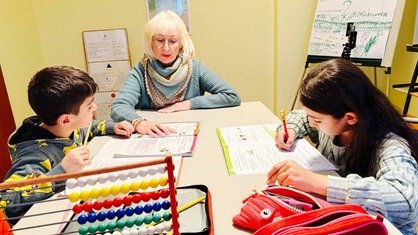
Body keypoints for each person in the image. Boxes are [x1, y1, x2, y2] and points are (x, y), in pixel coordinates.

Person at [267, 58, 418, 235]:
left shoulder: (391, 145)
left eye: (317, 120)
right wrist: (291, 129)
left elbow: (405, 200)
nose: (311, 123)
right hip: (340, 221)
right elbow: (300, 117)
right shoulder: (332, 125)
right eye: (311, 117)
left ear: (350, 118)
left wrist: (317, 182)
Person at [0, 66, 134, 222]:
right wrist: (62, 171)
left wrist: (112, 127)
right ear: (65, 120)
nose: (95, 108)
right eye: (89, 106)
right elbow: (5, 202)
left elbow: (86, 129)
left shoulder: (63, 128)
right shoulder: (34, 157)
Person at [111, 10, 241, 137]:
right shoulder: (139, 72)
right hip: (152, 136)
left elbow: (232, 96)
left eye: (173, 41)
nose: (166, 47)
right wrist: (138, 123)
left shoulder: (196, 69)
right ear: (151, 42)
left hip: (188, 133)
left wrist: (187, 104)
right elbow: (119, 106)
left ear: (181, 44)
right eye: (160, 40)